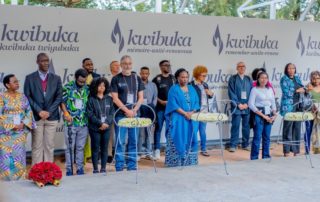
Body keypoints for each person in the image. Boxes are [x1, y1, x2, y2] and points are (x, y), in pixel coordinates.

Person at [24, 53, 62, 165]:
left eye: (47, 60)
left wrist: (49, 111)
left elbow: (59, 97)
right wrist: (39, 111)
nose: (46, 63)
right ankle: (37, 172)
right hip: (36, 117)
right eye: (43, 61)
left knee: (49, 145)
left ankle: (49, 171)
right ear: (37, 62)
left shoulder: (56, 78)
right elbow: (27, 96)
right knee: (37, 145)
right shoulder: (30, 78)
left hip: (52, 116)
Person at [111, 55, 144, 171]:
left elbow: (141, 97)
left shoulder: (137, 78)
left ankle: (132, 165)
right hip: (121, 115)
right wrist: (127, 110)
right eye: (125, 63)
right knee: (120, 141)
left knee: (133, 141)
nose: (127, 65)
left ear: (132, 64)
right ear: (121, 65)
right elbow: (115, 98)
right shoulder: (116, 79)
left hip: (135, 114)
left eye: (129, 63)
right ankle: (119, 166)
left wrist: (134, 110)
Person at [0, 75, 36, 180]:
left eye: (17, 81)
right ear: (7, 85)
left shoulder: (22, 96)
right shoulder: (1, 97)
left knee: (18, 157)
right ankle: (7, 181)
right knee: (6, 159)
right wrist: (11, 125)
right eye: (14, 82)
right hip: (5, 133)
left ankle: (20, 180)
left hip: (19, 132)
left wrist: (23, 123)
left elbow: (28, 111)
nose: (17, 83)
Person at [165, 68, 199, 167]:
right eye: (182, 77)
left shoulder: (192, 88)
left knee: (191, 139)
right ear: (177, 78)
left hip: (191, 119)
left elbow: (197, 102)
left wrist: (191, 112)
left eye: (186, 77)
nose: (185, 79)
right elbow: (173, 104)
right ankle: (175, 162)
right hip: (178, 118)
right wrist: (185, 113)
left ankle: (190, 161)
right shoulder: (173, 89)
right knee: (177, 137)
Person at [61, 69, 89, 176]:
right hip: (70, 123)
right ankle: (69, 170)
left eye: (84, 81)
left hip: (83, 123)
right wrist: (66, 113)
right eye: (80, 81)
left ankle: (80, 169)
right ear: (76, 78)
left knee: (80, 147)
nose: (82, 83)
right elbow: (62, 102)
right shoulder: (68, 87)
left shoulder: (87, 88)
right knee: (69, 148)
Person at [87, 77, 114, 173]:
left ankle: (103, 168)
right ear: (95, 86)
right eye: (100, 85)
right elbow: (90, 114)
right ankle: (95, 169)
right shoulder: (91, 99)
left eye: (104, 85)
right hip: (95, 128)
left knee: (104, 148)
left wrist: (106, 123)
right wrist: (100, 123)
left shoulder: (110, 99)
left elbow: (111, 113)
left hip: (106, 128)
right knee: (95, 148)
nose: (102, 87)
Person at [248, 72, 277, 160]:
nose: (264, 80)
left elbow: (273, 103)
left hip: (269, 113)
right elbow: (251, 104)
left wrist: (274, 114)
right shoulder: (254, 90)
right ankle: (254, 157)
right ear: (258, 79)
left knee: (267, 137)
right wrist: (263, 116)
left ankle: (266, 156)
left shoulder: (270, 89)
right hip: (259, 114)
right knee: (257, 137)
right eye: (261, 78)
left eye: (265, 78)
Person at [152, 60, 175, 160]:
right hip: (160, 108)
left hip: (171, 109)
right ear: (161, 67)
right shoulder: (156, 79)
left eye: (169, 65)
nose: (168, 67)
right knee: (158, 128)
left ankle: (170, 148)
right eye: (166, 65)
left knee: (170, 129)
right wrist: (160, 101)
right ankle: (156, 150)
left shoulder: (173, 78)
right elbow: (153, 94)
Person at [280, 63, 304, 157]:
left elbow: (302, 88)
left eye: (293, 68)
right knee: (287, 128)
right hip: (289, 106)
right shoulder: (284, 79)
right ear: (286, 69)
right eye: (289, 68)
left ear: (295, 69)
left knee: (297, 128)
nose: (291, 70)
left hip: (299, 105)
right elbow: (286, 92)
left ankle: (296, 150)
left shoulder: (297, 78)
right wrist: (297, 91)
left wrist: (305, 89)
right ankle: (286, 151)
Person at [228, 62, 252, 152]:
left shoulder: (248, 79)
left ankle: (245, 144)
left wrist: (247, 104)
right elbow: (231, 92)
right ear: (237, 68)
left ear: (245, 68)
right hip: (237, 107)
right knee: (235, 126)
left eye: (243, 66)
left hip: (247, 106)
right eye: (240, 67)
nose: (241, 68)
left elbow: (252, 92)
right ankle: (233, 145)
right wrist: (238, 104)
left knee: (246, 126)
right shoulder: (233, 79)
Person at [190, 65, 213, 157]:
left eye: (205, 76)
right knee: (194, 131)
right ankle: (193, 149)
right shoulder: (191, 85)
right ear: (197, 75)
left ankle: (203, 149)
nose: (204, 77)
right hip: (195, 111)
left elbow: (209, 96)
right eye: (203, 75)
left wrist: (210, 94)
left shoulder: (205, 84)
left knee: (203, 131)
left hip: (204, 111)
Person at [82, 58, 100, 165]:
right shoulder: (80, 76)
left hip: (94, 108)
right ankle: (83, 156)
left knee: (94, 134)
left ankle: (94, 156)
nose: (90, 66)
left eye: (91, 64)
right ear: (83, 66)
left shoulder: (97, 77)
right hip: (82, 109)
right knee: (83, 135)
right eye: (87, 64)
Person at [138, 66, 158, 160]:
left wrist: (152, 107)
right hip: (140, 109)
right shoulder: (137, 84)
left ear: (148, 74)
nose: (144, 75)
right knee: (141, 133)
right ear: (140, 73)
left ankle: (149, 152)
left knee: (149, 132)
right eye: (143, 73)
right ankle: (140, 152)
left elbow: (155, 98)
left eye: (146, 73)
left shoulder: (153, 85)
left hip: (150, 109)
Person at [106, 61, 120, 163]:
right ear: (111, 68)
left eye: (119, 65)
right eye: (115, 65)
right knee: (109, 132)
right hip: (110, 107)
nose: (118, 66)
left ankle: (119, 153)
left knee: (120, 132)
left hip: (121, 108)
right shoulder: (107, 80)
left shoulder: (122, 78)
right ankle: (109, 154)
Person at [306, 71, 320, 154]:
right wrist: (311, 106)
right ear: (311, 79)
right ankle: (307, 150)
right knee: (309, 130)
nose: (316, 80)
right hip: (311, 112)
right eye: (314, 78)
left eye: (318, 78)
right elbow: (305, 101)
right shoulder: (308, 87)